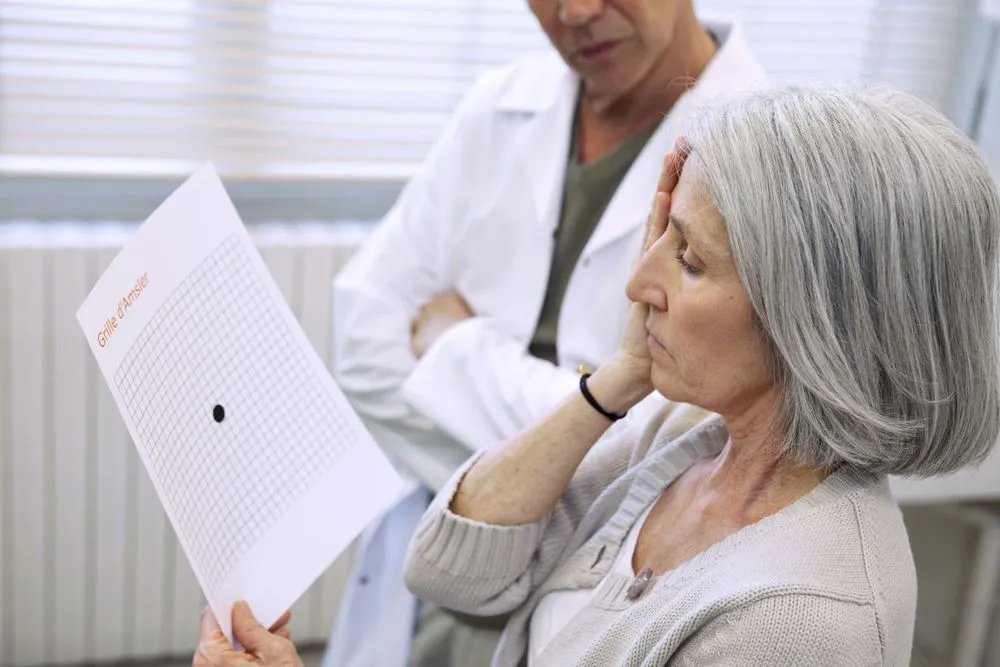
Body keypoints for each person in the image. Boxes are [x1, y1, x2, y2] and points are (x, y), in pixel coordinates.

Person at [192, 84, 1000, 665]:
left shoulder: (801, 623)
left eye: (686, 257)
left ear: (813, 319)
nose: (638, 281)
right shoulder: (686, 433)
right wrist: (617, 376)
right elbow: (449, 569)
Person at [323, 2, 765, 665]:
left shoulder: (773, 163)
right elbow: (362, 344)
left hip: (594, 617)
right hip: (431, 587)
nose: (576, 11)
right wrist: (581, 432)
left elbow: (691, 450)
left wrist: (453, 345)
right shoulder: (497, 106)